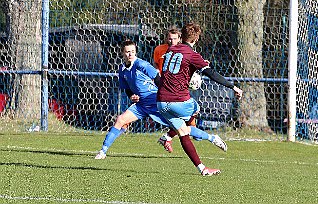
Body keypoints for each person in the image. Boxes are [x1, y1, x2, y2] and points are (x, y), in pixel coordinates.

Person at [95, 39, 226, 159]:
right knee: (120, 120)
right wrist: (131, 96)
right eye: (127, 52)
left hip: (155, 102)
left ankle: (212, 138)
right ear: (122, 53)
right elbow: (127, 88)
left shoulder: (142, 65)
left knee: (183, 129)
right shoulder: (122, 69)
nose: (130, 54)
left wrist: (166, 95)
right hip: (141, 105)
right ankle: (103, 151)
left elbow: (159, 80)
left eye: (133, 51)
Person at [157, 22, 243, 176]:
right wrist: (232, 87)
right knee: (195, 109)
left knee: (183, 132)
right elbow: (212, 74)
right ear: (196, 40)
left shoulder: (170, 50)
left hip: (161, 101)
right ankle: (207, 137)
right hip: (179, 101)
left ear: (181, 37)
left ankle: (202, 169)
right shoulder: (192, 55)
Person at [154, 26, 198, 153]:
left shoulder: (183, 51)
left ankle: (168, 137)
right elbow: (156, 64)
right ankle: (170, 136)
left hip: (179, 87)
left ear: (180, 39)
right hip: (164, 87)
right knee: (187, 116)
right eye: (169, 38)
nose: (171, 41)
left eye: (174, 38)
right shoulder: (159, 49)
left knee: (189, 116)